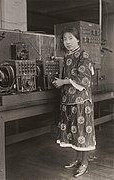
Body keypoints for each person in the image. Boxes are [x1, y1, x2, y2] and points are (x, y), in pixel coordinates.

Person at [52, 27, 96, 178]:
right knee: (74, 132)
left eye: (71, 38)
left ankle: (85, 163)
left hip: (81, 101)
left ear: (78, 39)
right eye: (65, 39)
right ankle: (78, 159)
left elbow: (84, 79)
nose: (67, 42)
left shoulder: (83, 55)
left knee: (83, 131)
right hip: (68, 100)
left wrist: (63, 81)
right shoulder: (66, 56)